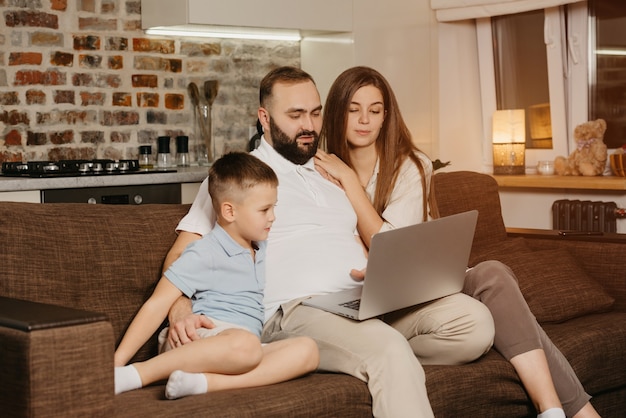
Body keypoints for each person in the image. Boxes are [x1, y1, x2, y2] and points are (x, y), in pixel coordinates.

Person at [164, 66, 495, 418]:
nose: (308, 125)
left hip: (365, 304)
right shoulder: (240, 177)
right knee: (388, 350)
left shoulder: (331, 172)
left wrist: (380, 271)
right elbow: (182, 253)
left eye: (315, 112)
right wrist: (180, 310)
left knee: (474, 323)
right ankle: (381, 360)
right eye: (295, 115)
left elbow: (372, 239)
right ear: (264, 118)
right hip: (294, 311)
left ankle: (370, 362)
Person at [314, 65, 600, 418]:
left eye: (375, 110)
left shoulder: (411, 165)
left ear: (386, 116)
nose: (364, 120)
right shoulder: (319, 170)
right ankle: (574, 412)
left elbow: (387, 243)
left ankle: (552, 409)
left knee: (493, 273)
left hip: (424, 286)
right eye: (354, 109)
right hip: (367, 297)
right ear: (337, 112)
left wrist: (350, 185)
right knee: (510, 312)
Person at [114, 152, 319, 399]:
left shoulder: (258, 246)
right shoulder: (206, 251)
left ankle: (203, 383)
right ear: (229, 212)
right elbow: (157, 303)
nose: (272, 217)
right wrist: (116, 362)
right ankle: (137, 374)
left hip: (239, 348)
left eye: (273, 207)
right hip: (197, 339)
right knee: (246, 345)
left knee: (308, 351)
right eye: (264, 209)